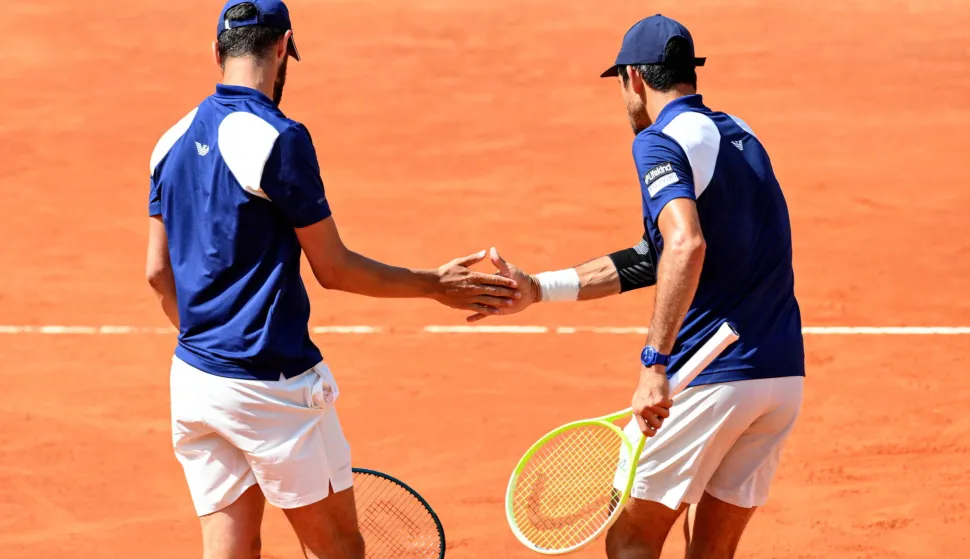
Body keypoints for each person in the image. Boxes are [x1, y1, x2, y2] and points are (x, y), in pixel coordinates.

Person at [144, 1, 520, 557]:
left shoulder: (168, 142)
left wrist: (209, 342)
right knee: (338, 547)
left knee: (230, 549)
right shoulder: (279, 138)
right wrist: (433, 284)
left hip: (194, 380)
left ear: (217, 52)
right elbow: (334, 268)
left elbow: (156, 274)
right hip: (271, 386)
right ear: (282, 47)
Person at [475, 14, 805, 559]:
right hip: (780, 377)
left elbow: (684, 246)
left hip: (708, 375)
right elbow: (659, 257)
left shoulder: (660, 141)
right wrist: (539, 287)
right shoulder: (741, 134)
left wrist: (655, 364)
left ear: (633, 78)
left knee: (631, 539)